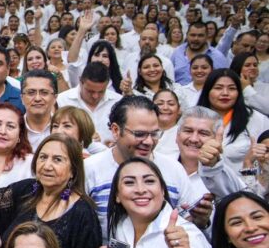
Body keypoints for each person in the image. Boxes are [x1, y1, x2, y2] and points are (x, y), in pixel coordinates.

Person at [85, 95, 202, 235]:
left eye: (154, 134)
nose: (148, 142)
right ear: (116, 130)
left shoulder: (173, 169)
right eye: (139, 134)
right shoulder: (90, 169)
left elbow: (189, 225)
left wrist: (201, 218)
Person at [197, 68, 269, 172]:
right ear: (207, 91)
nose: (225, 93)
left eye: (231, 88)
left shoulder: (256, 119)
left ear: (239, 92)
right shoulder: (194, 118)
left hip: (243, 183)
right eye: (218, 88)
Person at [57, 62, 123, 146]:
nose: (95, 96)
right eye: (90, 91)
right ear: (81, 81)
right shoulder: (62, 100)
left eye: (101, 92)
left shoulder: (119, 101)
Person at [21, 70, 58, 149]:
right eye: (31, 93)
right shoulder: (14, 129)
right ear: (22, 98)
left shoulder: (65, 129)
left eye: (44, 92)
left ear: (55, 98)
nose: (37, 98)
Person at [230, 52, 269, 116]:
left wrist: (247, 88)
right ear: (238, 67)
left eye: (255, 65)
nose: (253, 68)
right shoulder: (230, 86)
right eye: (247, 65)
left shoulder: (266, 87)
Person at [152, 89, 182, 159]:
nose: (165, 108)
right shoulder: (144, 132)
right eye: (160, 104)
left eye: (171, 104)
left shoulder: (183, 134)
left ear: (179, 109)